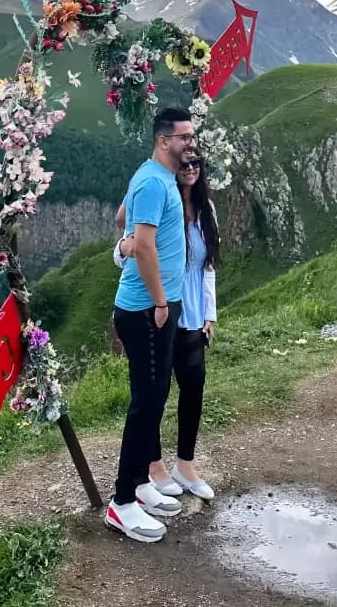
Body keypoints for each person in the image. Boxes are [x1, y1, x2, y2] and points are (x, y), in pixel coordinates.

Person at [105, 107, 197, 543]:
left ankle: (141, 484)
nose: (190, 144)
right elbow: (143, 246)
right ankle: (121, 502)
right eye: (184, 137)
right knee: (146, 401)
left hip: (159, 305)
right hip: (146, 309)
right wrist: (161, 301)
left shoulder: (157, 178)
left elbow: (122, 217)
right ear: (164, 141)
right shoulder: (152, 182)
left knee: (154, 396)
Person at [115, 150, 219, 502]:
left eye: (196, 163)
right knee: (154, 391)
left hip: (192, 311)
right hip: (162, 306)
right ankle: (153, 466)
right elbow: (129, 246)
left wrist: (210, 313)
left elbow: (208, 267)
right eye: (184, 163)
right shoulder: (159, 197)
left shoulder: (206, 211)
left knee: (193, 386)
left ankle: (185, 465)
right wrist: (124, 247)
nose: (190, 169)